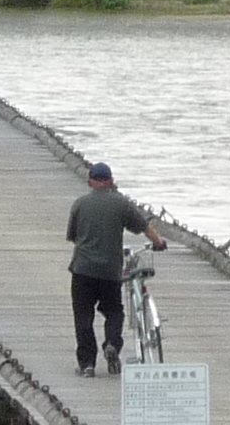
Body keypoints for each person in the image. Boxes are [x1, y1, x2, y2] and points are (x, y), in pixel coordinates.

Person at [65, 161, 165, 378]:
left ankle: (87, 364)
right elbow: (144, 228)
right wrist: (158, 243)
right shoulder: (121, 203)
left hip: (82, 270)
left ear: (90, 181)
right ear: (110, 181)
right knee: (113, 311)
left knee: (83, 316)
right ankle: (111, 344)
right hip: (110, 271)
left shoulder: (80, 204)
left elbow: (72, 236)